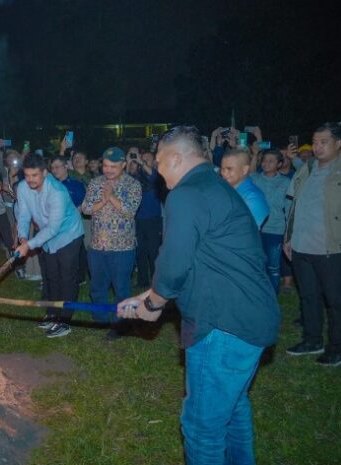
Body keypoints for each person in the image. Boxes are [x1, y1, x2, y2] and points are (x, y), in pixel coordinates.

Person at [118, 126, 280, 465]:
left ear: (176, 158)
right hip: (249, 318)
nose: (158, 171)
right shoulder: (213, 185)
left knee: (203, 428)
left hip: (223, 324)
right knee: (233, 411)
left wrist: (153, 304)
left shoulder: (187, 193)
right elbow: (195, 259)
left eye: (160, 162)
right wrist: (149, 294)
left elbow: (175, 260)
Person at [284, 122, 341, 366]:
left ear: (339, 144)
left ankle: (338, 348)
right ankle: (312, 340)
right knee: (309, 297)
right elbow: (294, 206)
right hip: (301, 246)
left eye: (324, 142)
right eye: (316, 142)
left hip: (331, 248)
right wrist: (288, 238)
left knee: (336, 301)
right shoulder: (307, 168)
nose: (318, 147)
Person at [15, 154, 84, 338]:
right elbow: (23, 215)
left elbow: (54, 228)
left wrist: (29, 244)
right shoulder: (22, 187)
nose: (30, 180)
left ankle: (65, 321)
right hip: (45, 236)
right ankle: (53, 313)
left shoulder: (57, 192)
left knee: (67, 277)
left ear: (44, 172)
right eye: (27, 175)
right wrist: (22, 237)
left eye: (35, 175)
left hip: (68, 234)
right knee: (51, 275)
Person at [80, 147, 141, 340]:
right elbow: (86, 209)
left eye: (113, 166)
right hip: (97, 246)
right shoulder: (95, 183)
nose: (108, 170)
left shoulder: (133, 185)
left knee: (121, 287)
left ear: (123, 165)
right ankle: (100, 319)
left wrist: (110, 197)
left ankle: (119, 325)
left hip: (122, 248)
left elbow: (129, 211)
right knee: (97, 286)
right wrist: (104, 200)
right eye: (105, 165)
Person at [250, 149, 291, 294]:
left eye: (271, 161)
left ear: (279, 164)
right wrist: (254, 154)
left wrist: (288, 232)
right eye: (264, 160)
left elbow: (288, 208)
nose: (266, 163)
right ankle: (258, 296)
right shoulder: (254, 179)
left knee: (273, 267)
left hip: (275, 229)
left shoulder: (285, 182)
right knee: (257, 265)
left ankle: (272, 296)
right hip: (255, 230)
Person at [130, 151, 163, 288]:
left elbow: (153, 176)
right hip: (138, 220)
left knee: (154, 251)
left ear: (154, 161)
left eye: (147, 159)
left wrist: (141, 162)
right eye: (141, 159)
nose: (142, 161)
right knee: (141, 251)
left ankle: (156, 282)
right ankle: (142, 281)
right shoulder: (137, 177)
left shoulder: (157, 175)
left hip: (153, 220)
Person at [220, 149, 269, 229]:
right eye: (222, 169)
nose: (223, 173)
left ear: (244, 170)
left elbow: (243, 232)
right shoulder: (227, 189)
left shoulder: (253, 198)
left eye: (229, 169)